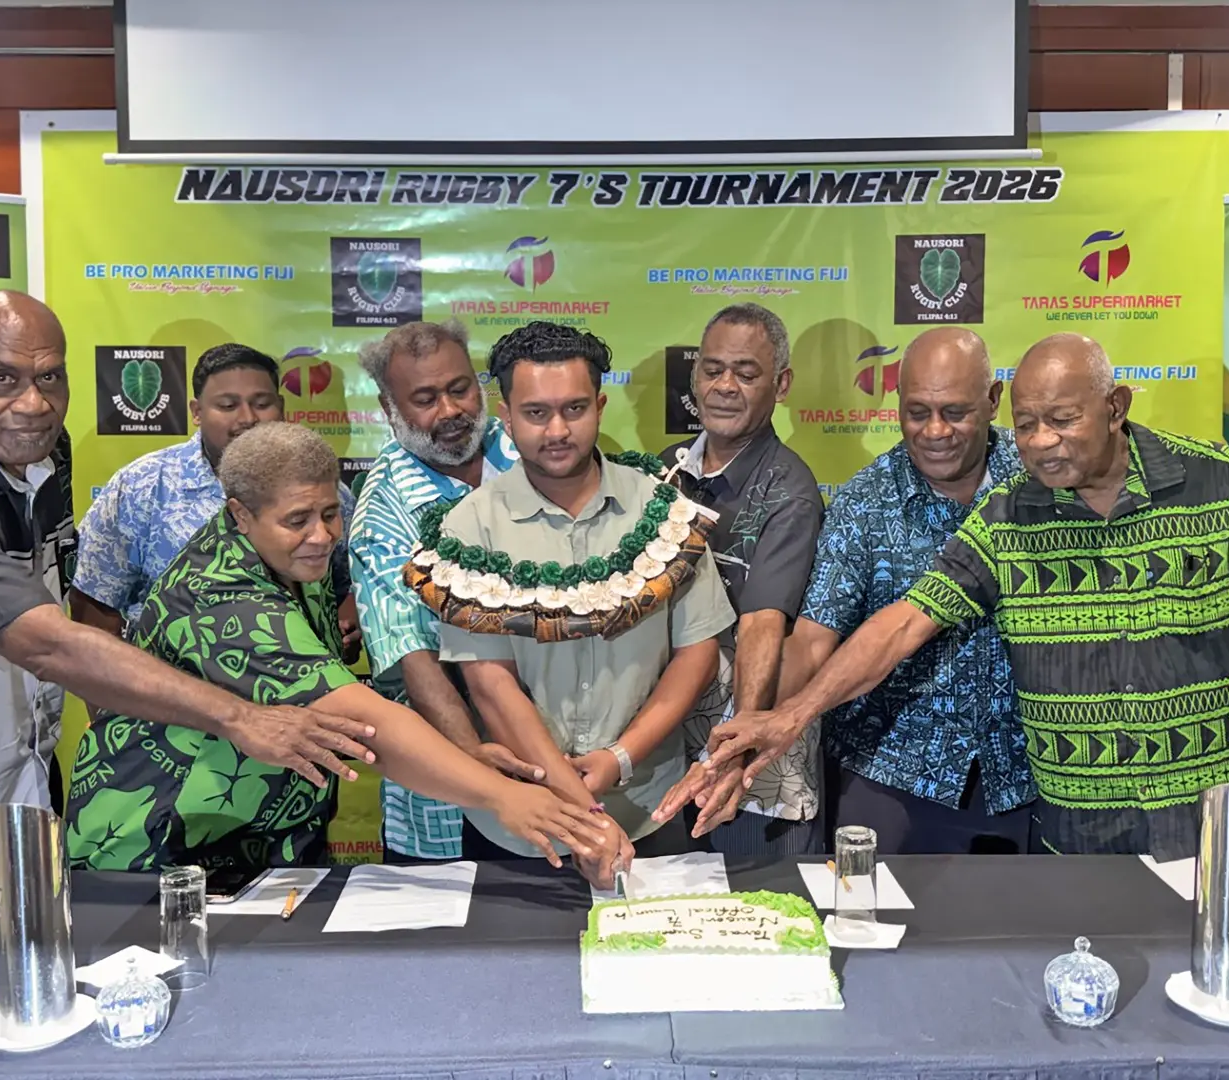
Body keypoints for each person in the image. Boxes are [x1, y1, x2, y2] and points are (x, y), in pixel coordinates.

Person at [696, 333, 1229, 868]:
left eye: (1061, 422)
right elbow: (903, 625)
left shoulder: (1220, 482)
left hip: (1218, 814)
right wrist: (789, 716)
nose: (1039, 443)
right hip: (1079, 830)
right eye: (1028, 426)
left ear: (1115, 406)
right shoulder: (1008, 513)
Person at [0, 291, 382, 872]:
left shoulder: (41, 448)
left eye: (50, 378)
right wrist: (241, 717)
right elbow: (50, 643)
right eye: (3, 378)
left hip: (23, 776)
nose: (33, 403)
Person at [65, 423, 606, 872]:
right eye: (296, 520)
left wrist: (464, 756)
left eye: (329, 513)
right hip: (156, 846)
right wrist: (500, 796)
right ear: (240, 515)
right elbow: (365, 720)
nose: (322, 535)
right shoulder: (219, 592)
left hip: (267, 841)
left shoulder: (304, 561)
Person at [666, 327, 1036, 853]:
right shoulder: (866, 501)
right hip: (888, 772)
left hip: (1025, 772)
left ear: (994, 400)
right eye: (917, 412)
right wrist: (745, 737)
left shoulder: (1039, 488)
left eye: (955, 412)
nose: (935, 431)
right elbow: (813, 640)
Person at [431, 321, 734, 873]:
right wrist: (581, 809)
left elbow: (696, 651)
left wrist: (620, 759)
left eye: (574, 409)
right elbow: (490, 685)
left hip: (650, 809)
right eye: (535, 413)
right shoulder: (469, 527)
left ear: (599, 404)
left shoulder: (664, 511)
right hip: (525, 824)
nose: (556, 430)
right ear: (505, 416)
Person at [349, 319, 542, 865]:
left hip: (568, 756)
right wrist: (473, 760)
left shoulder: (527, 447)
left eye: (459, 389)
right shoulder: (383, 513)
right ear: (390, 412)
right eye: (425, 399)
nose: (451, 410)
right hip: (455, 793)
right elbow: (411, 654)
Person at [651, 305, 822, 855]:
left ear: (782, 384)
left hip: (749, 775)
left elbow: (762, 625)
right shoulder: (661, 472)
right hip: (664, 757)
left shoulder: (789, 490)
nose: (725, 386)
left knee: (759, 924)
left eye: (746, 374)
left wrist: (734, 752)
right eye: (712, 369)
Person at [71, 342, 358, 652]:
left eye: (262, 403)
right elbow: (94, 601)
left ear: (282, 407)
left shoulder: (324, 492)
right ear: (197, 412)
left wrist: (344, 626)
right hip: (171, 692)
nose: (247, 418)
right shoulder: (143, 487)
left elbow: (344, 588)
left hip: (299, 686)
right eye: (228, 405)